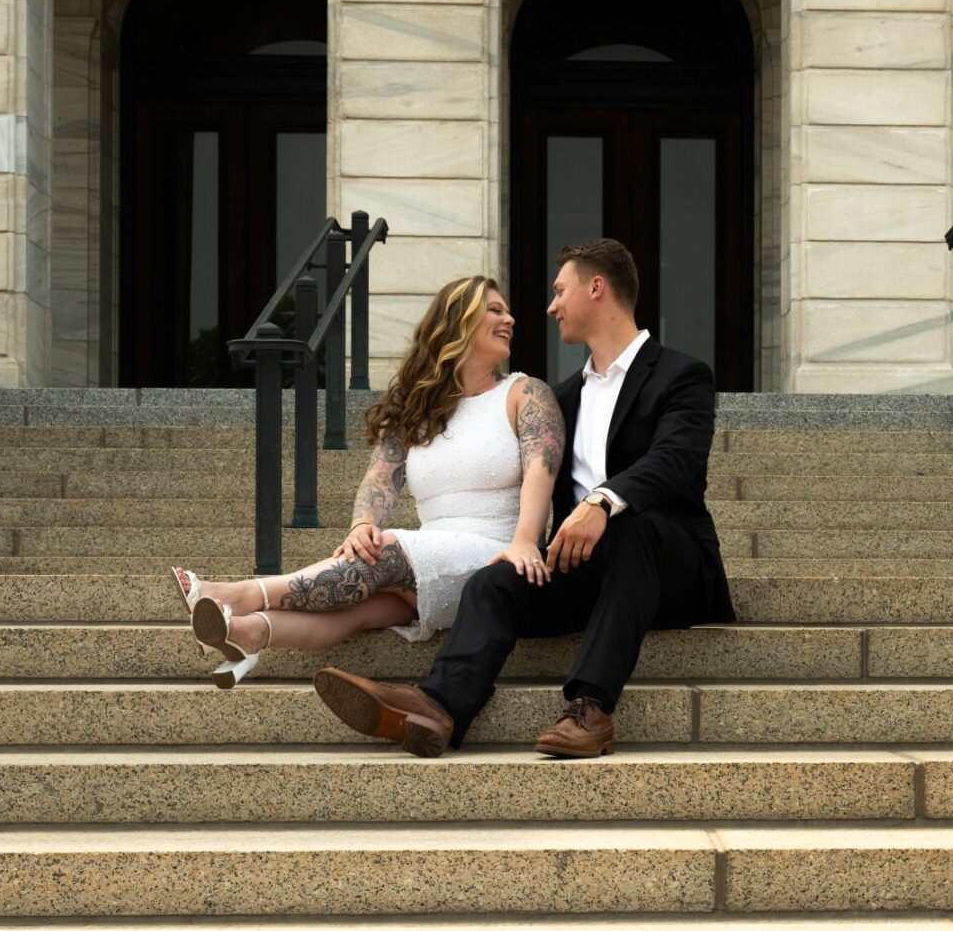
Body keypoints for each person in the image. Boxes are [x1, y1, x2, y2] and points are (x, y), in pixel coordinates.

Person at [311, 238, 735, 758]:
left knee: (632, 524)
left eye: (560, 291)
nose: (550, 306)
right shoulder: (560, 399)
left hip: (671, 568)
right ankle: (440, 705)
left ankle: (590, 707)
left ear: (596, 288)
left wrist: (602, 502)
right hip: (587, 571)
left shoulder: (681, 375)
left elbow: (676, 460)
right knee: (494, 580)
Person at [167, 276, 565, 687]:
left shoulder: (525, 393)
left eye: (507, 310)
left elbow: (542, 467)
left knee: (384, 551)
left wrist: (525, 541)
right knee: (358, 608)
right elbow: (380, 478)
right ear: (457, 322)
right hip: (428, 556)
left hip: (495, 557)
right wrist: (361, 526)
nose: (510, 319)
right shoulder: (419, 409)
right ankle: (248, 634)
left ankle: (236, 595)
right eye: (495, 310)